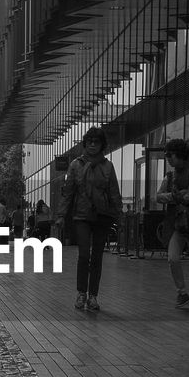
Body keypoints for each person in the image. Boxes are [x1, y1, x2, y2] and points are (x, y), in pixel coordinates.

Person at [56, 127, 122, 311]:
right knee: (84, 254)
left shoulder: (107, 166)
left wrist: (119, 215)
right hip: (82, 215)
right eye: (90, 142)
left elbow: (114, 193)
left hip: (102, 215)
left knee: (97, 256)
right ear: (85, 144)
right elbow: (68, 192)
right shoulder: (76, 165)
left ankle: (93, 296)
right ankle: (81, 293)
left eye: (96, 142)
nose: (93, 145)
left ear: (102, 145)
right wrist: (61, 215)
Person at [155, 139, 189, 309]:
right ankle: (182, 292)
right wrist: (176, 195)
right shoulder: (170, 176)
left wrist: (172, 196)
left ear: (180, 154)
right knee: (172, 258)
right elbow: (158, 196)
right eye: (167, 155)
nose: (168, 158)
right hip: (178, 224)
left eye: (170, 155)